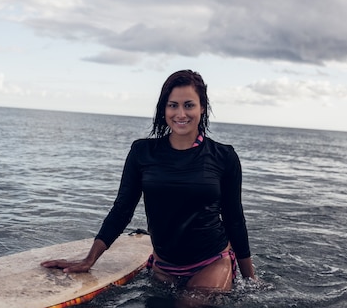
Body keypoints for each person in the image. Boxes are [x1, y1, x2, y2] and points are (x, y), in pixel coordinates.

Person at [41, 70, 256, 291]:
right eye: (173, 105)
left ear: (202, 107)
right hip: (164, 265)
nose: (181, 113)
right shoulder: (142, 152)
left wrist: (251, 281)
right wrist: (89, 260)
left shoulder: (224, 157)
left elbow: (234, 219)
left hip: (211, 261)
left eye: (189, 105)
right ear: (163, 109)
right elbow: (122, 209)